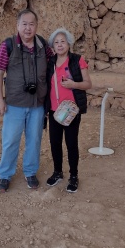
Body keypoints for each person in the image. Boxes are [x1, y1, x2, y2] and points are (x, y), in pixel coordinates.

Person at [0, 9, 53, 192]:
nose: (28, 28)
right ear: (18, 25)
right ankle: (5, 175)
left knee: (34, 140)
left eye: (31, 24)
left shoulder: (43, 45)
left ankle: (30, 172)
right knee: (11, 140)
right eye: (24, 24)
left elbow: (55, 65)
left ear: (36, 26)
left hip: (37, 104)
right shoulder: (8, 45)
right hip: (14, 104)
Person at [45, 28, 92, 193]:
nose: (59, 45)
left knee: (71, 144)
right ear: (52, 46)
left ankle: (73, 176)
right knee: (55, 143)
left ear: (69, 43)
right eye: (56, 42)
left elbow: (88, 84)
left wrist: (74, 85)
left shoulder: (77, 60)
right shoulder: (50, 62)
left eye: (62, 41)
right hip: (54, 111)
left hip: (71, 111)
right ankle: (57, 172)